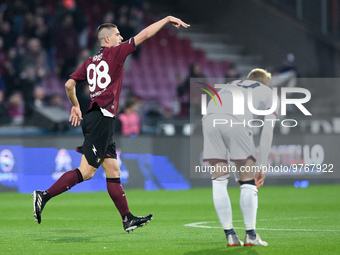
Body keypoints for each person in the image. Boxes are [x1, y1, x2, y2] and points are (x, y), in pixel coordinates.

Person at [33, 16, 190, 232]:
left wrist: (75, 106)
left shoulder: (89, 61)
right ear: (107, 39)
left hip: (96, 117)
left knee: (113, 169)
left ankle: (127, 219)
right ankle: (43, 195)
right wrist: (166, 19)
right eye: (118, 35)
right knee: (86, 172)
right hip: (101, 119)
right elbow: (144, 35)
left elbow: (69, 84)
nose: (121, 37)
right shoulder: (115, 53)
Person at [202, 68, 278, 246]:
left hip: (209, 120)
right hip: (236, 120)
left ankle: (229, 235)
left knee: (219, 180)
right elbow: (267, 131)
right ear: (265, 83)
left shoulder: (231, 84)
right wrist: (262, 166)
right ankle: (251, 235)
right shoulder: (268, 92)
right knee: (248, 181)